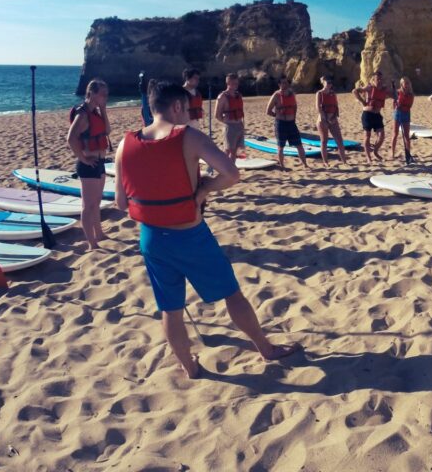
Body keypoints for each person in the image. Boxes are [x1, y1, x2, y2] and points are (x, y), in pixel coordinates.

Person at [114, 81, 300, 379]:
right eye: (187, 109)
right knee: (232, 295)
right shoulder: (189, 137)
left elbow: (121, 204)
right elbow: (231, 174)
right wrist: (202, 192)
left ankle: (190, 367)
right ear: (176, 107)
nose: (189, 115)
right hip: (190, 235)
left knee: (170, 309)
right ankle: (266, 349)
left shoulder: (125, 144)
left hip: (151, 239)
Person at [67, 78, 112, 250]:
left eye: (107, 95)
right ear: (91, 93)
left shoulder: (96, 112)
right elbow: (70, 138)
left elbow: (107, 131)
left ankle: (99, 233)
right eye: (102, 94)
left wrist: (104, 110)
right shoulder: (83, 114)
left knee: (97, 201)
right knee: (88, 205)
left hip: (99, 162)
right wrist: (83, 158)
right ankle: (92, 243)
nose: (105, 97)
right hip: (88, 165)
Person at [266, 76, 308, 171]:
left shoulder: (292, 94)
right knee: (281, 146)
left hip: (291, 123)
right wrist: (277, 116)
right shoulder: (276, 95)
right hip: (280, 124)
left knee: (299, 145)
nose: (284, 85)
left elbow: (295, 107)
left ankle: (305, 164)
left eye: (286, 83)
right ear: (279, 84)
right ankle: (282, 166)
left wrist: (294, 118)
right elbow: (268, 111)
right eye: (282, 83)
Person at [353, 70, 388, 164]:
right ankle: (368, 157)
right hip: (367, 115)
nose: (379, 81)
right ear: (373, 79)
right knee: (367, 136)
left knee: (381, 136)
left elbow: (394, 95)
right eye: (377, 79)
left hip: (377, 115)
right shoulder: (369, 87)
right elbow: (355, 91)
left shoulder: (383, 89)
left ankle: (375, 152)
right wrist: (362, 102)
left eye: (380, 79)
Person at [316, 75, 348, 166]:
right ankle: (325, 162)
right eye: (327, 82)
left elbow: (336, 107)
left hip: (333, 120)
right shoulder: (319, 93)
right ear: (323, 83)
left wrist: (334, 117)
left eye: (330, 82)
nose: (329, 84)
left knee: (339, 140)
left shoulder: (333, 93)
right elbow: (318, 108)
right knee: (324, 141)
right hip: (322, 120)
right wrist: (325, 119)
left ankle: (344, 161)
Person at [214, 73, 245, 160]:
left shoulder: (238, 95)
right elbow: (217, 115)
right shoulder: (222, 96)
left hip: (239, 125)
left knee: (234, 151)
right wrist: (227, 123)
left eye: (237, 83)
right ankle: (227, 170)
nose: (236, 85)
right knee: (229, 151)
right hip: (230, 126)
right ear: (228, 82)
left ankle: (230, 170)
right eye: (233, 83)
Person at [390, 77, 414, 163]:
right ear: (401, 84)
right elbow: (393, 103)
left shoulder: (411, 94)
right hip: (397, 114)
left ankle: (408, 153)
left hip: (406, 114)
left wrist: (402, 106)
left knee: (406, 136)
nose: (406, 84)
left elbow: (410, 105)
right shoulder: (397, 92)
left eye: (407, 83)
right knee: (395, 134)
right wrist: (396, 107)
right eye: (405, 83)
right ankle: (392, 153)